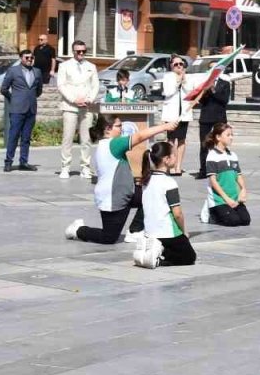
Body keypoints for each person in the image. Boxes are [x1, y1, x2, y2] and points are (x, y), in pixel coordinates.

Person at [65, 116, 183, 244]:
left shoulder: (109, 144)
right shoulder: (113, 144)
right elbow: (139, 137)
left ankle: (135, 231)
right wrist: (165, 127)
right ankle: (78, 230)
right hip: (113, 198)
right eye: (119, 126)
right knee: (108, 238)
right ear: (108, 129)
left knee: (151, 193)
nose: (122, 129)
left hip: (127, 193)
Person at [134, 141, 197, 268]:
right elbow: (177, 213)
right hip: (167, 232)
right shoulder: (169, 182)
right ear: (166, 159)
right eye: (174, 155)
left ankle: (152, 249)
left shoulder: (146, 180)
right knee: (189, 256)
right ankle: (159, 258)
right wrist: (184, 231)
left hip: (149, 232)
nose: (176, 157)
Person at [57, 40, 100, 179]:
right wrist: (74, 99)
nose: (81, 53)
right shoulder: (64, 66)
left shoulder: (91, 66)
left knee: (86, 139)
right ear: (73, 51)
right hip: (70, 106)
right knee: (68, 138)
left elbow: (95, 86)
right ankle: (65, 167)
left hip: (86, 107)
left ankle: (85, 167)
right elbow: (61, 85)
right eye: (78, 51)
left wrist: (89, 99)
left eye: (83, 51)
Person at [0, 49, 43, 172]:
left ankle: (24, 162)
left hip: (31, 109)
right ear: (21, 58)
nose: (29, 60)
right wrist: (13, 99)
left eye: (31, 58)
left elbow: (39, 90)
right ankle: (8, 162)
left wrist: (31, 98)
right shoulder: (13, 71)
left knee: (26, 137)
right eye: (27, 58)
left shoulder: (37, 72)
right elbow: (4, 89)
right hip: (17, 109)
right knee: (13, 136)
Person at [204, 122, 251, 227]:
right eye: (228, 135)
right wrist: (226, 199)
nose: (231, 138)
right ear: (218, 137)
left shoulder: (233, 155)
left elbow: (238, 175)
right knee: (233, 221)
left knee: (245, 220)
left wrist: (243, 189)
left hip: (234, 198)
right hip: (220, 200)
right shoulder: (212, 156)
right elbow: (213, 181)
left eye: (232, 135)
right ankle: (213, 215)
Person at [160, 55, 194, 175]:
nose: (179, 66)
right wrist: (177, 81)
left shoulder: (188, 77)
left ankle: (179, 165)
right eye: (176, 64)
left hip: (184, 113)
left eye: (181, 64)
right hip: (171, 114)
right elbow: (168, 92)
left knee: (181, 140)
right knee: (171, 139)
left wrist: (184, 81)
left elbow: (191, 91)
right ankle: (171, 164)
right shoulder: (168, 77)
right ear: (171, 66)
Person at [194, 75, 231, 179]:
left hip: (219, 117)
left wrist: (213, 90)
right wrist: (205, 91)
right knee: (204, 145)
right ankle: (203, 171)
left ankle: (223, 169)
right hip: (206, 117)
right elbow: (200, 101)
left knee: (221, 144)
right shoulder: (204, 83)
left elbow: (224, 100)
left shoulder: (225, 83)